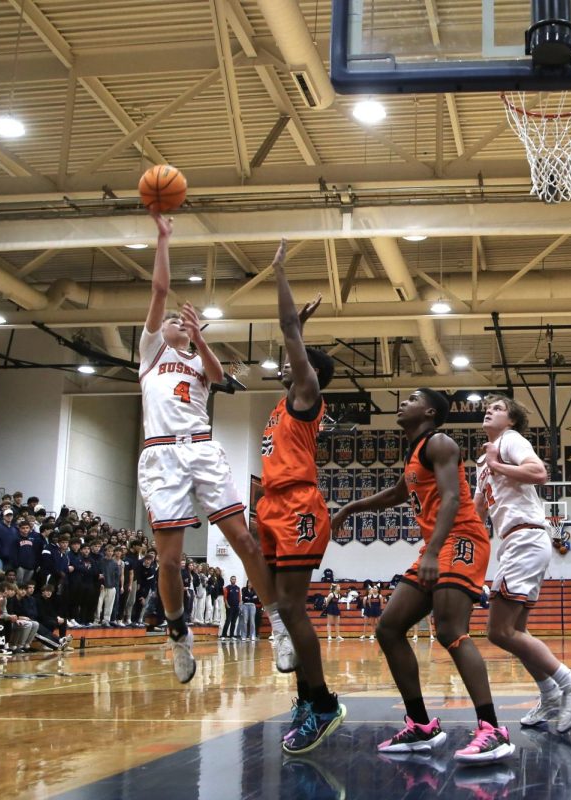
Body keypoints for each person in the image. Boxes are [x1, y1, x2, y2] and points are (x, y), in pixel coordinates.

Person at [136, 213, 293, 683]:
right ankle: (178, 635)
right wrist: (163, 239)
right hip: (161, 455)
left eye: (180, 325)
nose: (171, 322)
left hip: (201, 449)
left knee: (243, 541)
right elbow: (160, 292)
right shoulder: (151, 354)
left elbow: (222, 378)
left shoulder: (199, 362)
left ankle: (279, 628)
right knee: (168, 559)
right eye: (168, 323)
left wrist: (201, 337)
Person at [333, 388, 511, 763]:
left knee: (450, 630)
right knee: (388, 628)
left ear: (429, 411)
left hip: (461, 539)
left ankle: (493, 729)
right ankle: (420, 724)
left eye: (412, 398)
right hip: (437, 544)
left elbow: (450, 499)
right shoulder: (415, 452)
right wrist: (350, 508)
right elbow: (398, 493)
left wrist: (431, 551)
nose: (403, 402)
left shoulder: (440, 442)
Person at [255, 239, 343, 754]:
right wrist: (301, 336)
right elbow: (293, 340)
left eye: (298, 360)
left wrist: (280, 271)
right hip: (272, 504)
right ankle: (308, 699)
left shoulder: (307, 395)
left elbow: (288, 331)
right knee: (284, 610)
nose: (288, 362)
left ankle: (323, 702)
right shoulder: (283, 403)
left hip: (299, 507)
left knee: (292, 606)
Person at [475, 394, 571, 734]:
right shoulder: (483, 462)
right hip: (515, 542)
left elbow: (538, 472)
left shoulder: (510, 440)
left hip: (526, 537)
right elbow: (477, 513)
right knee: (515, 631)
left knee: (498, 631)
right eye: (488, 407)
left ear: (511, 420)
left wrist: (497, 464)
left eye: (498, 408)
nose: (490, 411)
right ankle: (550, 695)